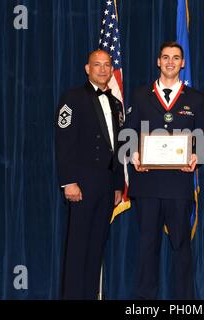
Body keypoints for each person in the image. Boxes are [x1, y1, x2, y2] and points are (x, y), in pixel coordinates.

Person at [124, 41, 204, 299]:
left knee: (181, 247)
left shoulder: (196, 98)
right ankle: (145, 302)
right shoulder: (141, 95)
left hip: (179, 185)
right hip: (147, 185)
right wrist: (134, 154)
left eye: (175, 58)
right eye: (165, 57)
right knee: (147, 247)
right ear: (158, 62)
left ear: (183, 63)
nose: (170, 62)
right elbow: (127, 133)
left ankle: (185, 301)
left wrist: (197, 156)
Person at [55, 50, 125, 299]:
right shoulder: (72, 98)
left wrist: (118, 184)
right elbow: (64, 143)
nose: (103, 69)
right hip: (81, 184)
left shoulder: (116, 104)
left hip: (106, 186)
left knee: (96, 246)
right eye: (97, 65)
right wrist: (68, 182)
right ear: (87, 68)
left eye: (107, 65)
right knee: (78, 247)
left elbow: (118, 147)